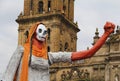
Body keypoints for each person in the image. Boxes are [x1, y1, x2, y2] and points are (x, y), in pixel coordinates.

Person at [2, 22, 115, 81]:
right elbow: (7, 77)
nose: (43, 34)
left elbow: (88, 53)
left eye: (46, 32)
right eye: (40, 31)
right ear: (33, 33)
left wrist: (105, 34)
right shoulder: (21, 51)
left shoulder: (49, 56)